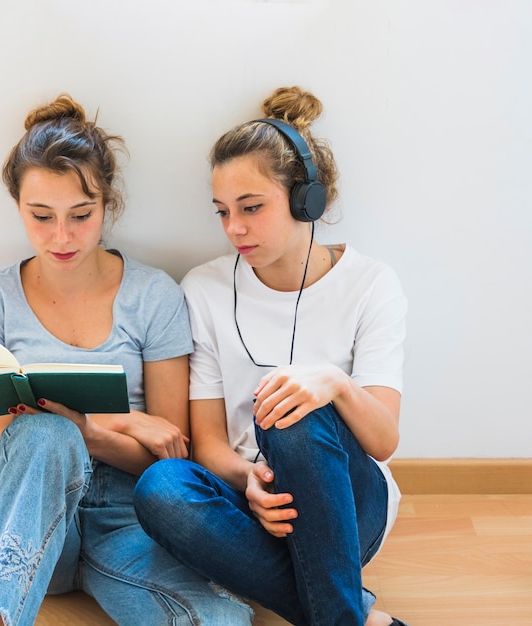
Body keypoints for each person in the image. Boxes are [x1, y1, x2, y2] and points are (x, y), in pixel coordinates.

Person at [0, 94, 253, 626]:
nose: (62, 237)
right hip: (27, 518)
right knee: (43, 436)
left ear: (107, 205)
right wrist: (118, 421)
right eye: (41, 216)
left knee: (222, 620)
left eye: (81, 215)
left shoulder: (153, 296)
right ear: (18, 208)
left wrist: (92, 431)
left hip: (127, 517)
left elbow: (170, 460)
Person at [134, 86, 410, 626]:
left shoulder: (373, 284)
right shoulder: (205, 289)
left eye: (252, 208)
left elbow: (383, 440)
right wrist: (247, 482)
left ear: (307, 199)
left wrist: (335, 383)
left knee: (293, 415)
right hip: (251, 511)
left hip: (349, 511)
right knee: (160, 488)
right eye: (222, 212)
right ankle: (355, 615)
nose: (234, 227)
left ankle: (338, 610)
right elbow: (209, 443)